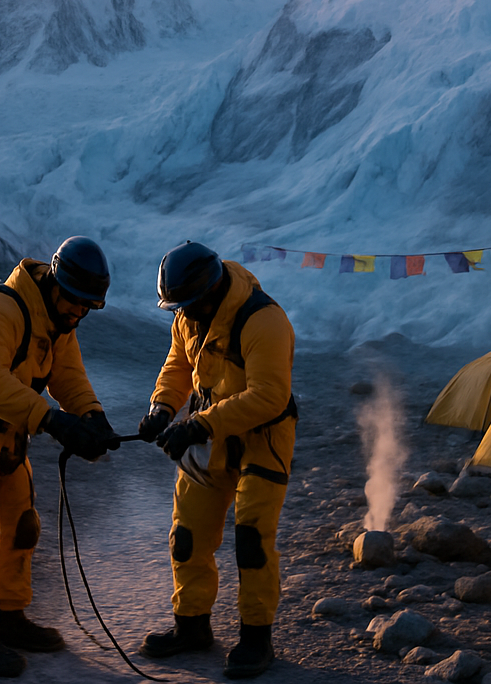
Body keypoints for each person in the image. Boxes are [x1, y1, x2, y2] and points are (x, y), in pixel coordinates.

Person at [0, 236, 120, 678]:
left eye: (90, 306)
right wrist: (53, 422)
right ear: (54, 283)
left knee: (21, 525)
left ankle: (8, 616)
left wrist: (92, 416)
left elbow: (67, 374)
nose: (81, 313)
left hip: (8, 430)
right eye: (77, 302)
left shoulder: (57, 320)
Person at [138, 241, 297, 679]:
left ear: (212, 290)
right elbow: (178, 366)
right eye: (177, 307)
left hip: (262, 437)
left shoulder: (264, 320)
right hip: (207, 431)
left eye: (189, 304)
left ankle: (256, 639)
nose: (183, 313)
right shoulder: (188, 316)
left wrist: (197, 426)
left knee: (252, 541)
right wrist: (162, 409)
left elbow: (269, 396)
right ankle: (191, 627)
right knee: (187, 535)